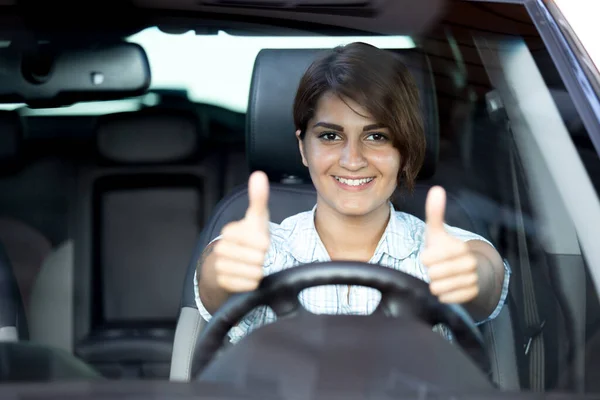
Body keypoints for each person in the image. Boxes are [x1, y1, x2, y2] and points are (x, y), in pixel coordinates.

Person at [195, 42, 511, 343]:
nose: (353, 160)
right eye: (331, 135)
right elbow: (214, 280)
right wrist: (220, 272)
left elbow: (486, 277)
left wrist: (472, 280)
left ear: (405, 148)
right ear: (302, 148)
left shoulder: (441, 253)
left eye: (376, 136)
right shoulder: (259, 251)